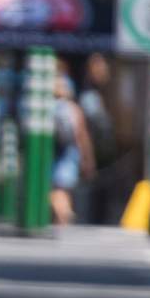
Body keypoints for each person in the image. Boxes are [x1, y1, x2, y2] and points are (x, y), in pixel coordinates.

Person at [77, 53, 119, 224]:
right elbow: (84, 130)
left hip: (107, 157)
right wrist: (88, 157)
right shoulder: (88, 97)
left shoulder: (106, 93)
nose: (103, 71)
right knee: (88, 199)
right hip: (94, 155)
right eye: (98, 68)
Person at [50, 70, 95, 226]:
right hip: (70, 153)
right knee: (63, 188)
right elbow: (82, 135)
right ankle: (64, 213)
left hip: (54, 153)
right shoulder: (74, 109)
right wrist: (87, 157)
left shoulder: (49, 107)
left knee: (57, 189)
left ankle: (63, 214)